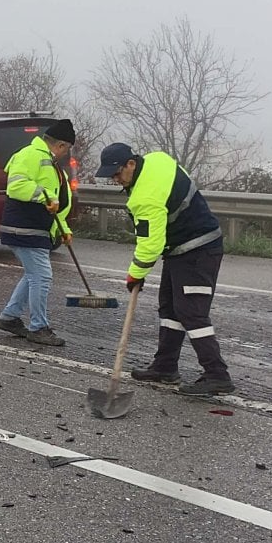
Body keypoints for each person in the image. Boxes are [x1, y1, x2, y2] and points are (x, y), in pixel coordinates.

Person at [97, 143, 233, 395]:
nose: (115, 180)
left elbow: (151, 244)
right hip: (180, 249)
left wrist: (136, 273)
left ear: (131, 164)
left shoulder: (145, 196)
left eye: (117, 174)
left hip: (198, 249)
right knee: (170, 307)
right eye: (111, 177)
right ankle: (165, 366)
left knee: (191, 311)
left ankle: (217, 374)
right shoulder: (157, 159)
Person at [0, 119, 76, 347]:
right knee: (41, 276)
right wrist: (46, 196)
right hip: (24, 227)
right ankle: (38, 327)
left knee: (33, 275)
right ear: (60, 145)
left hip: (36, 228)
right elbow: (17, 186)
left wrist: (64, 229)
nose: (66, 153)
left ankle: (9, 317)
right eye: (67, 149)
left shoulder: (51, 163)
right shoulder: (30, 155)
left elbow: (59, 202)